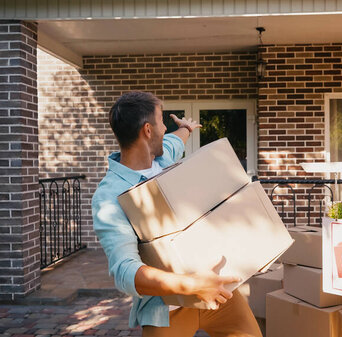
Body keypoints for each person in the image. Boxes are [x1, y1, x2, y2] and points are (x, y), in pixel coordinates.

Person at [91, 91, 262, 337]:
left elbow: (174, 140)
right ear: (148, 131)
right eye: (162, 122)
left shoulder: (162, 159)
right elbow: (125, 270)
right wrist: (193, 285)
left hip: (217, 289)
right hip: (167, 309)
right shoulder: (109, 197)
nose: (165, 129)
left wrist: (186, 128)